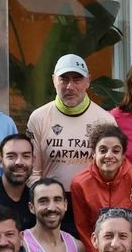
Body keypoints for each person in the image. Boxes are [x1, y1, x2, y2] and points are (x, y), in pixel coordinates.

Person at [28, 54, 114, 191]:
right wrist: (43, 199)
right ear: (53, 80)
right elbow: (33, 172)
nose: (70, 86)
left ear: (88, 81)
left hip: (90, 202)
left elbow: (113, 170)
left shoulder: (105, 121)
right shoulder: (38, 118)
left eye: (77, 80)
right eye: (63, 79)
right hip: (51, 203)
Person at [69, 124, 132, 252]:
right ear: (94, 154)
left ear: (123, 154)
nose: (109, 155)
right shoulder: (80, 183)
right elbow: (83, 229)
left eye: (115, 150)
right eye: (103, 150)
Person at [24, 178, 89, 252]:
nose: (51, 207)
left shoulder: (77, 247)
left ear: (65, 204)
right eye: (43, 201)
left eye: (57, 200)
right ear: (31, 207)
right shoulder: (22, 244)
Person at [0, 133, 37, 231]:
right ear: (0, 161)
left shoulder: (35, 199)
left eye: (26, 156)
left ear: (33, 160)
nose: (19, 162)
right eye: (11, 156)